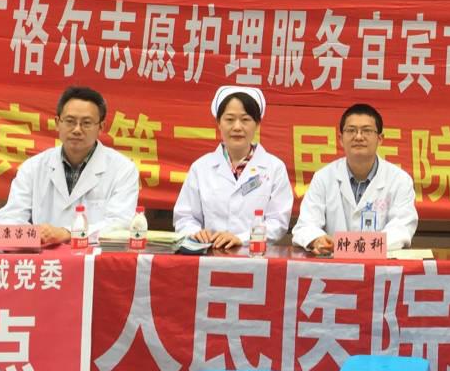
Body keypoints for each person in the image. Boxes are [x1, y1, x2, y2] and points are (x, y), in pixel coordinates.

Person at [0, 85, 139, 244]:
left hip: (95, 256)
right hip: (43, 255)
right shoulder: (33, 167)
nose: (77, 130)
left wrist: (68, 233)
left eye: (86, 123)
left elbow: (120, 225)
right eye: (70, 121)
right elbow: (7, 219)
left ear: (101, 127)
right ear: (57, 123)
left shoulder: (123, 169)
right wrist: (35, 235)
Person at [173, 85, 293, 250]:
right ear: (218, 123)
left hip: (255, 255)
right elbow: (185, 217)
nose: (237, 127)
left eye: (245, 120)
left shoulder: (274, 168)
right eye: (229, 119)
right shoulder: (200, 168)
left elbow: (277, 222)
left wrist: (242, 238)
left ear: (257, 124)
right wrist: (195, 233)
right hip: (209, 253)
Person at [291, 103, 418, 254]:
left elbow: (401, 229)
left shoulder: (400, 180)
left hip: (380, 265)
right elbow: (306, 225)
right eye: (351, 130)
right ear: (340, 138)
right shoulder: (323, 177)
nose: (358, 137)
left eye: (367, 131)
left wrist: (355, 247)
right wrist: (317, 239)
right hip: (332, 264)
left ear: (380, 138)